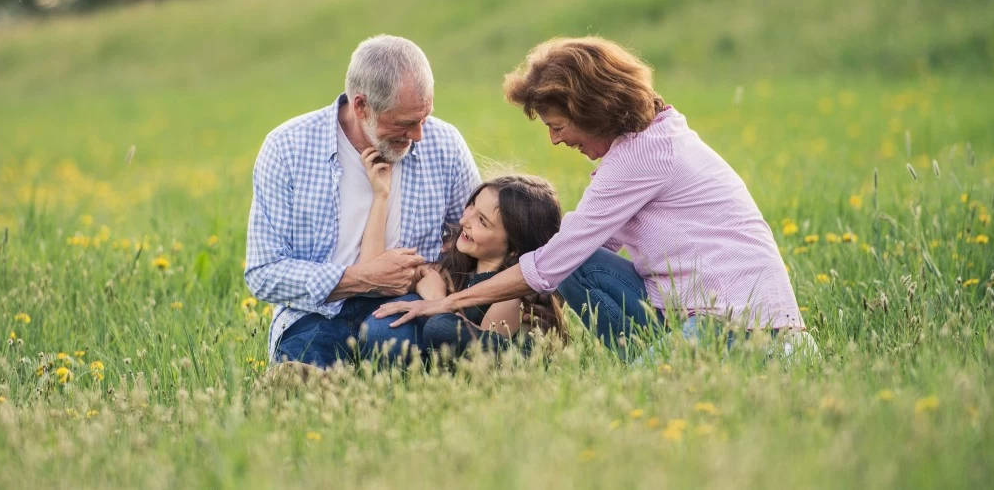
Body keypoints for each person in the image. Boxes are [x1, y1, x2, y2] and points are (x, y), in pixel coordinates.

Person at [374, 36, 806, 356]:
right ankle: (524, 351)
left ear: (592, 109)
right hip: (691, 314)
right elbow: (576, 256)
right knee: (575, 259)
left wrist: (447, 303)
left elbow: (553, 261)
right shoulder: (652, 138)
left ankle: (652, 361)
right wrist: (518, 304)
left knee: (644, 393)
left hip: (743, 328)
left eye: (557, 125)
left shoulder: (643, 157)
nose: (555, 140)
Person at [244, 34, 481, 368]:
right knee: (306, 362)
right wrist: (363, 277)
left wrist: (431, 274)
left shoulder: (444, 143)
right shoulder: (287, 147)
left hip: (408, 304)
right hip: (318, 313)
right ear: (361, 106)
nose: (418, 136)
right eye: (404, 123)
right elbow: (264, 272)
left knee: (393, 343)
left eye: (424, 118)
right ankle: (312, 383)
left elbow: (479, 238)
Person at [357, 166, 564, 358]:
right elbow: (371, 269)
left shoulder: (508, 298)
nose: (465, 220)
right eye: (472, 206)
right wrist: (381, 195)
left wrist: (436, 299)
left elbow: (481, 352)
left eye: (482, 221)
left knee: (439, 327)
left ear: (513, 250)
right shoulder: (455, 268)